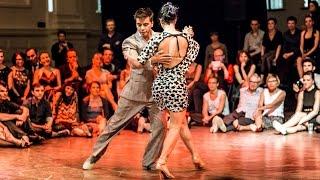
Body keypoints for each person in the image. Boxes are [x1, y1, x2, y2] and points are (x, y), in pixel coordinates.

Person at [82, 7, 167, 171]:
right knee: (113, 125)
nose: (142, 28)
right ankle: (94, 155)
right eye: (139, 24)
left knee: (160, 127)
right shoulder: (129, 41)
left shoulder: (161, 38)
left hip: (156, 93)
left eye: (145, 24)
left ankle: (149, 162)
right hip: (134, 92)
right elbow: (134, 63)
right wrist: (156, 59)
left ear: (152, 22)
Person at [127, 3, 204, 178]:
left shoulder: (157, 39)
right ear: (176, 19)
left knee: (180, 122)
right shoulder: (189, 41)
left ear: (160, 20)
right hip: (176, 84)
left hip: (160, 85)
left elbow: (140, 61)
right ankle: (162, 160)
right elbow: (189, 60)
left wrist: (150, 59)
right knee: (176, 125)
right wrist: (187, 35)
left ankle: (196, 156)